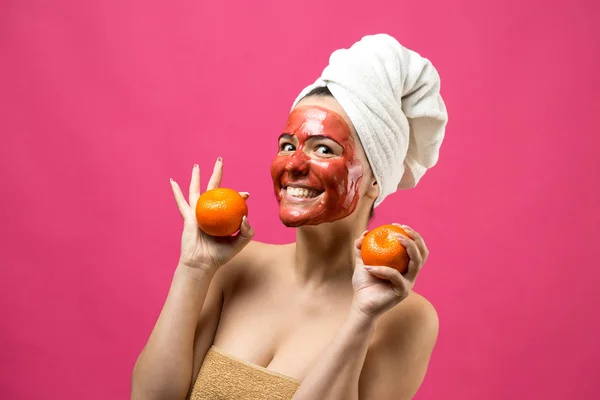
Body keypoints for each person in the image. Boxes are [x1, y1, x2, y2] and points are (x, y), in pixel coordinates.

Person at [131, 33, 448, 400]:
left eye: (323, 148)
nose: (294, 164)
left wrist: (361, 318)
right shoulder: (235, 267)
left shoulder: (405, 318)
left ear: (375, 179)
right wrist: (193, 270)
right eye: (287, 145)